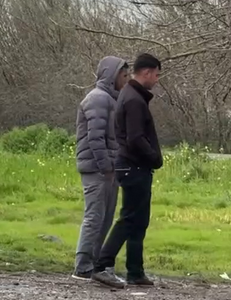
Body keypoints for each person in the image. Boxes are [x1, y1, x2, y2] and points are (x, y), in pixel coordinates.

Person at [92, 53, 163, 289]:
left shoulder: (131, 96)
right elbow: (135, 138)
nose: (156, 79)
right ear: (146, 72)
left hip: (133, 165)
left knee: (139, 219)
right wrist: (153, 157)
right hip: (134, 165)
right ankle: (103, 265)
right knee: (130, 217)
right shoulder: (134, 100)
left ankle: (135, 270)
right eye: (156, 74)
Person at [72, 57, 129, 281]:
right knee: (94, 217)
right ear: (112, 75)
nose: (125, 81)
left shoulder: (110, 100)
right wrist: (107, 166)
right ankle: (83, 265)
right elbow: (95, 138)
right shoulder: (98, 99)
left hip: (107, 170)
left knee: (105, 218)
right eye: (123, 76)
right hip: (97, 170)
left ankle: (95, 264)